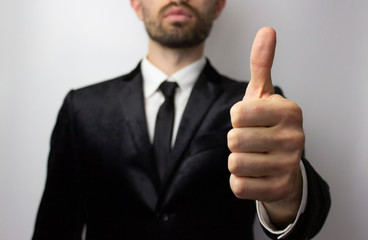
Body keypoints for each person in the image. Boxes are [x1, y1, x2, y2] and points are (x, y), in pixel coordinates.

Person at [32, 0, 330, 239]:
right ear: (137, 4)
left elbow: (306, 217)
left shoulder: (255, 106)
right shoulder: (81, 107)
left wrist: (287, 193)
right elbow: (54, 227)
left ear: (218, 5)